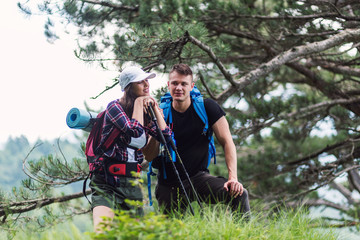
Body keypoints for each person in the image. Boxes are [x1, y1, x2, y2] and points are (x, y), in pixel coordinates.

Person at [144, 63, 250, 218]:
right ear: (168, 85)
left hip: (198, 178)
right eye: (174, 83)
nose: (178, 87)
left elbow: (227, 142)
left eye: (183, 84)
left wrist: (233, 179)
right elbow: (148, 156)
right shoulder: (160, 112)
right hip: (169, 183)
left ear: (191, 86)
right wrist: (156, 128)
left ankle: (242, 235)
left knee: (239, 194)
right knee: (171, 232)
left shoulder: (207, 107)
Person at [90, 66, 171, 232]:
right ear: (129, 87)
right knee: (103, 233)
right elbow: (134, 130)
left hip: (131, 182)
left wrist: (155, 109)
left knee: (134, 235)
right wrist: (139, 103)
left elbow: (167, 137)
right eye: (140, 81)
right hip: (106, 181)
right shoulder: (114, 107)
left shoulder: (147, 112)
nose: (146, 84)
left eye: (147, 80)